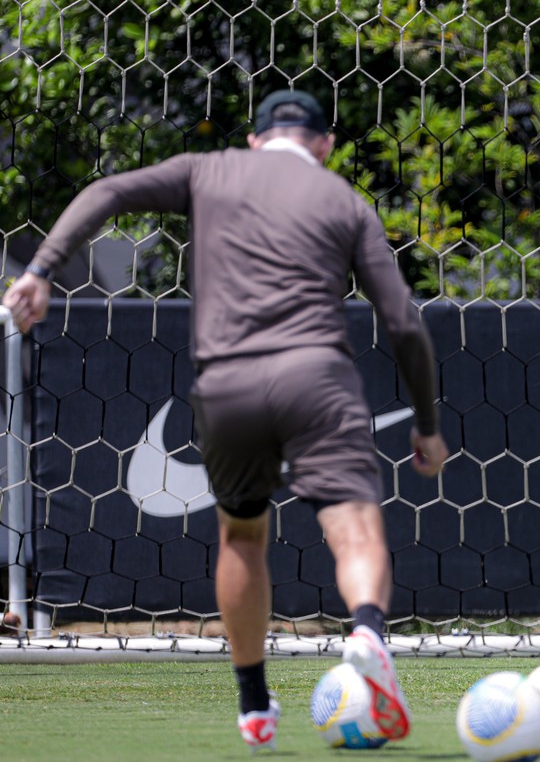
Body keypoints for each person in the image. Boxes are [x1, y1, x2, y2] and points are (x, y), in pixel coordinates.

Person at [3, 89, 449, 749]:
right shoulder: (345, 202)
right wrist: (428, 424)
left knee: (241, 536)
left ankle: (254, 705)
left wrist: (40, 271)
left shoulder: (208, 171)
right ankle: (366, 633)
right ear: (323, 147)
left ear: (254, 141)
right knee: (353, 527)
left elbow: (106, 193)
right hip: (316, 379)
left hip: (227, 386)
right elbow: (404, 324)